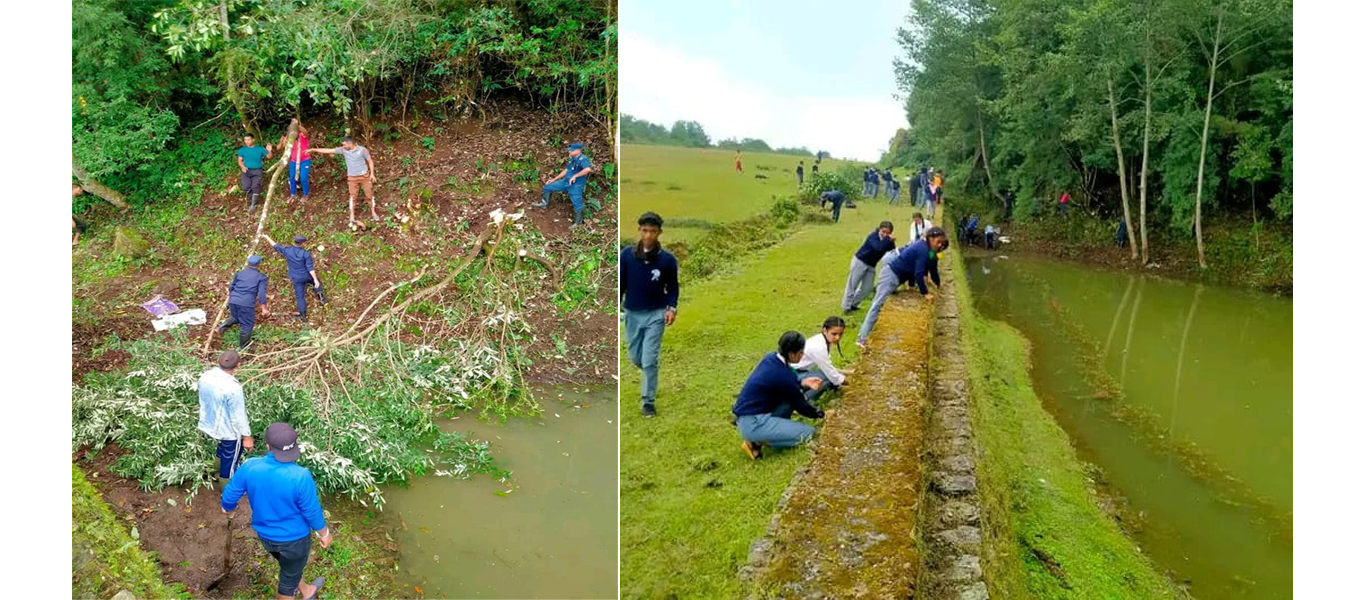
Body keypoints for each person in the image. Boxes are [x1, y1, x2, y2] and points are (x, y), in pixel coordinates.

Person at [221, 422, 332, 600]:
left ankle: (307, 591)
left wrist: (228, 509)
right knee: (287, 582)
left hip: (266, 537)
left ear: (267, 446)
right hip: (294, 541)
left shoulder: (250, 466)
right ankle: (300, 591)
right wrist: (324, 533)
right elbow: (311, 511)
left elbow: (229, 495)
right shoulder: (300, 476)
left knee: (290, 568)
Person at [733, 331, 830, 459]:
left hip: (752, 415)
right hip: (755, 423)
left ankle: (760, 438)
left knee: (788, 400)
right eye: (801, 353)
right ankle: (756, 441)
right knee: (810, 434)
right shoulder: (783, 375)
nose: (802, 355)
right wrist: (822, 414)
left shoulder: (772, 358)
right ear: (791, 354)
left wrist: (802, 383)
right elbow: (802, 407)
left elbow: (784, 385)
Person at [620, 212, 680, 418]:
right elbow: (621, 284)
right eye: (645, 231)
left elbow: (673, 287)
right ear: (639, 231)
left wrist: (671, 308)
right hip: (632, 313)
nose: (648, 236)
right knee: (636, 357)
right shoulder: (627, 256)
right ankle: (649, 370)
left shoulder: (667, 260)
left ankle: (648, 402)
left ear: (659, 233)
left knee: (649, 360)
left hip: (656, 313)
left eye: (653, 232)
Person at [857, 228, 948, 348]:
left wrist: (937, 283)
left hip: (897, 277)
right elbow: (918, 273)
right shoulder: (923, 249)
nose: (940, 246)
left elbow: (931, 266)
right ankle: (862, 338)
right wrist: (925, 293)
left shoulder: (929, 250)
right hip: (891, 275)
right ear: (931, 238)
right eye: (938, 242)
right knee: (877, 305)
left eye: (942, 244)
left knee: (881, 303)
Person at [198, 350, 253, 480]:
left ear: (218, 362)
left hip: (208, 422)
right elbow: (238, 415)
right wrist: (247, 437)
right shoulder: (233, 388)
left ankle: (212, 472)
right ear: (238, 365)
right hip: (229, 431)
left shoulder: (205, 376)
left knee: (221, 450)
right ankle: (227, 489)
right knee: (230, 460)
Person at [310, 137, 378, 227]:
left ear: (350, 143)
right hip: (352, 178)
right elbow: (329, 150)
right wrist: (313, 149)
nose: (343, 146)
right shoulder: (344, 150)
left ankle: (373, 212)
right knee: (353, 197)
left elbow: (370, 161)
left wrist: (372, 174)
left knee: (369, 195)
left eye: (344, 144)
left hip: (364, 177)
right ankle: (352, 216)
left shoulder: (362, 150)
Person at [262, 233, 326, 322]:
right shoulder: (305, 254)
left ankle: (303, 315)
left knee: (300, 296)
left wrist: (267, 237)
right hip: (306, 276)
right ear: (303, 244)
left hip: (296, 278)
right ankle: (321, 298)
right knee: (316, 280)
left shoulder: (288, 251)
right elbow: (310, 268)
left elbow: (275, 246)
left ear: (295, 242)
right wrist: (315, 280)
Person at [791, 317, 852, 402]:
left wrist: (851, 372)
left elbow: (829, 368)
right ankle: (802, 401)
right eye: (834, 334)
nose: (837, 338)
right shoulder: (819, 347)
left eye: (840, 334)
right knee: (825, 379)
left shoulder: (823, 340)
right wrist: (855, 384)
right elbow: (833, 375)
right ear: (825, 330)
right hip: (791, 373)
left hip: (798, 372)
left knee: (828, 378)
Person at [842, 221, 896, 312]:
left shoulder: (887, 241)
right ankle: (846, 307)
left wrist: (892, 243)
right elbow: (878, 248)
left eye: (888, 233)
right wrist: (887, 239)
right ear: (879, 230)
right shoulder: (873, 236)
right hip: (860, 261)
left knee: (867, 288)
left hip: (871, 265)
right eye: (883, 232)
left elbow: (892, 251)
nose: (885, 234)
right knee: (852, 284)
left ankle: (853, 303)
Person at [536, 142, 593, 228]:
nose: (569, 152)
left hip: (575, 185)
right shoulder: (573, 158)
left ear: (578, 150)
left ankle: (578, 223)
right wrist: (554, 179)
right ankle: (544, 204)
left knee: (577, 202)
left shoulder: (582, 159)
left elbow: (588, 169)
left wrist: (575, 176)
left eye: (572, 150)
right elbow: (566, 170)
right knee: (548, 187)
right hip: (565, 182)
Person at [219, 255, 270, 349]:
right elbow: (261, 294)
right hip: (246, 303)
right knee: (247, 324)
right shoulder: (261, 277)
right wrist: (264, 309)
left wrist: (232, 297)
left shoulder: (240, 273)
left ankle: (223, 326)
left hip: (233, 300)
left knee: (236, 317)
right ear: (259, 264)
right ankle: (244, 346)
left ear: (248, 263)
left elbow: (231, 287)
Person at [236, 133, 274, 212]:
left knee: (255, 187)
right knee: (245, 187)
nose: (247, 141)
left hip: (257, 170)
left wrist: (269, 150)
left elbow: (269, 157)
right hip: (246, 170)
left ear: (253, 140)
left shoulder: (260, 149)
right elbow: (239, 161)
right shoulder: (242, 150)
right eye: (245, 140)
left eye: (248, 140)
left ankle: (253, 204)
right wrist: (242, 167)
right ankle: (252, 199)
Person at [281, 118, 311, 203]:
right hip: (294, 161)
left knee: (303, 178)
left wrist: (296, 125)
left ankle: (306, 194)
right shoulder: (289, 138)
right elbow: (282, 146)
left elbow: (306, 132)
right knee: (292, 178)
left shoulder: (302, 135)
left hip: (305, 160)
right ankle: (292, 194)